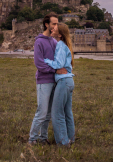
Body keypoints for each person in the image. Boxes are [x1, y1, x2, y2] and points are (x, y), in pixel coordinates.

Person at [28, 13, 67, 145]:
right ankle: (32, 139)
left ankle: (43, 138)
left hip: (54, 81)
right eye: (54, 24)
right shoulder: (39, 41)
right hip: (43, 81)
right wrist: (55, 70)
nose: (56, 26)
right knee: (42, 112)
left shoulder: (54, 41)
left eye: (57, 23)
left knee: (48, 113)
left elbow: (58, 60)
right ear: (47, 24)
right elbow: (39, 64)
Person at [43, 23, 75, 146]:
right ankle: (70, 139)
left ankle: (63, 142)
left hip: (63, 82)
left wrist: (45, 60)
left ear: (60, 34)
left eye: (55, 28)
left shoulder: (61, 45)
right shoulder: (65, 45)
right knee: (67, 112)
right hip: (69, 81)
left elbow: (58, 65)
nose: (52, 28)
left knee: (57, 113)